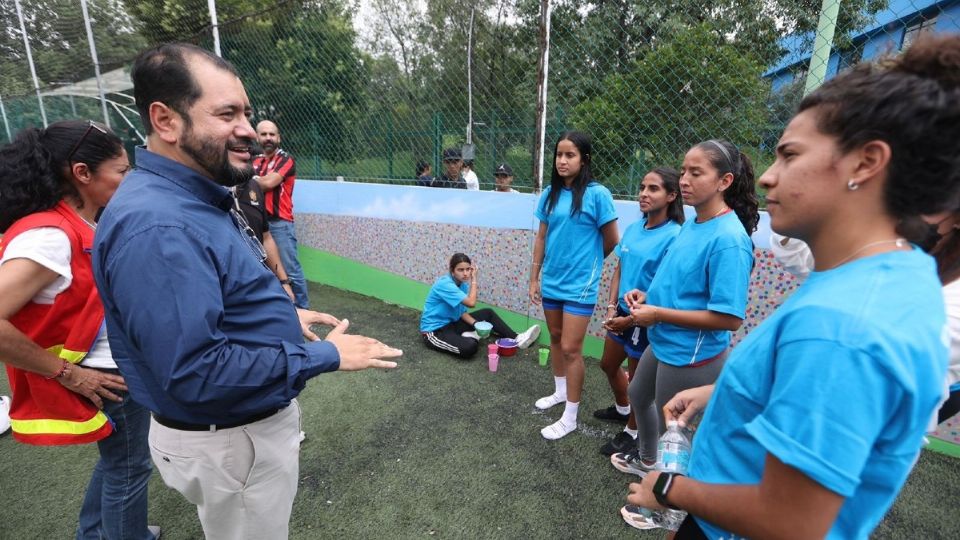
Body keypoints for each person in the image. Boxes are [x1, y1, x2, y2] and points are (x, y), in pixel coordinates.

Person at [626, 35, 959, 539]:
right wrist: (721, 393)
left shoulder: (845, 324)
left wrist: (669, 490)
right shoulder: (882, 274)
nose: (764, 177)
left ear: (866, 163)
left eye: (788, 154)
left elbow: (790, 521)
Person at [92, 43, 402, 540]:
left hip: (234, 436)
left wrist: (282, 318)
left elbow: (215, 294)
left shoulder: (192, 196)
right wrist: (321, 355)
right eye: (226, 113)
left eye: (248, 113)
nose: (247, 130)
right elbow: (195, 372)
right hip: (230, 441)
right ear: (165, 120)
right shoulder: (159, 225)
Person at [0, 120, 158, 539]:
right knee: (129, 466)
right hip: (103, 374)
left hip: (111, 366)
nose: (129, 179)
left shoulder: (78, 223)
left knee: (120, 462)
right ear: (82, 173)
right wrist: (69, 373)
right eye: (122, 171)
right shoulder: (50, 236)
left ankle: (93, 534)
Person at [611, 138, 758, 484]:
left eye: (696, 172)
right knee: (637, 394)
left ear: (725, 182)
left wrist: (658, 314)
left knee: (673, 430)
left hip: (690, 353)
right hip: (664, 340)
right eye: (683, 172)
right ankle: (649, 463)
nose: (685, 180)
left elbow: (730, 319)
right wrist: (647, 295)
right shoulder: (694, 222)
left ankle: (665, 503)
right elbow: (681, 282)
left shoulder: (729, 240)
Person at [528, 131, 619, 440]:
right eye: (559, 155)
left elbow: (612, 240)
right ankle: (559, 391)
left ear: (585, 159)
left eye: (570, 155)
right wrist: (534, 277)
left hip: (580, 285)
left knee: (571, 348)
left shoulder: (597, 194)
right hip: (552, 281)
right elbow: (541, 237)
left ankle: (570, 416)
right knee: (554, 338)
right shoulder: (550, 194)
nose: (562, 161)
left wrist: (590, 267)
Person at [596, 168, 684, 457]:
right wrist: (611, 307)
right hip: (620, 312)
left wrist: (631, 319)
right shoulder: (634, 228)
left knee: (638, 385)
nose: (644, 194)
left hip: (644, 318)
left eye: (654, 188)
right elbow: (619, 269)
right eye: (643, 187)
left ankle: (632, 432)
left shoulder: (675, 236)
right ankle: (623, 410)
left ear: (671, 196)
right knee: (608, 365)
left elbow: (665, 289)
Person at [420, 253, 540, 359]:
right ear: (452, 271)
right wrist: (474, 279)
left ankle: (517, 338)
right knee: (469, 347)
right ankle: (470, 337)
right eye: (460, 270)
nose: (466, 273)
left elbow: (461, 312)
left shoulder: (462, 285)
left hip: (453, 325)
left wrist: (476, 325)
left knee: (488, 313)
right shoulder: (445, 284)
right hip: (435, 332)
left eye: (468, 269)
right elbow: (472, 303)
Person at [252, 119, 310, 309]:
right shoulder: (256, 161)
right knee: (264, 268)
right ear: (257, 136)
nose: (268, 138)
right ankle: (278, 310)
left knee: (290, 270)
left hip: (280, 224)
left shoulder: (285, 159)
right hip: (257, 223)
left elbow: (269, 183)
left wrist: (246, 178)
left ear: (278, 137)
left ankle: (303, 310)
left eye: (272, 134)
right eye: (264, 134)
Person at [233, 178, 296, 302]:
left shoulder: (253, 186)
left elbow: (266, 237)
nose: (247, 157)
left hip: (257, 281)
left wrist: (284, 281)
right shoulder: (206, 185)